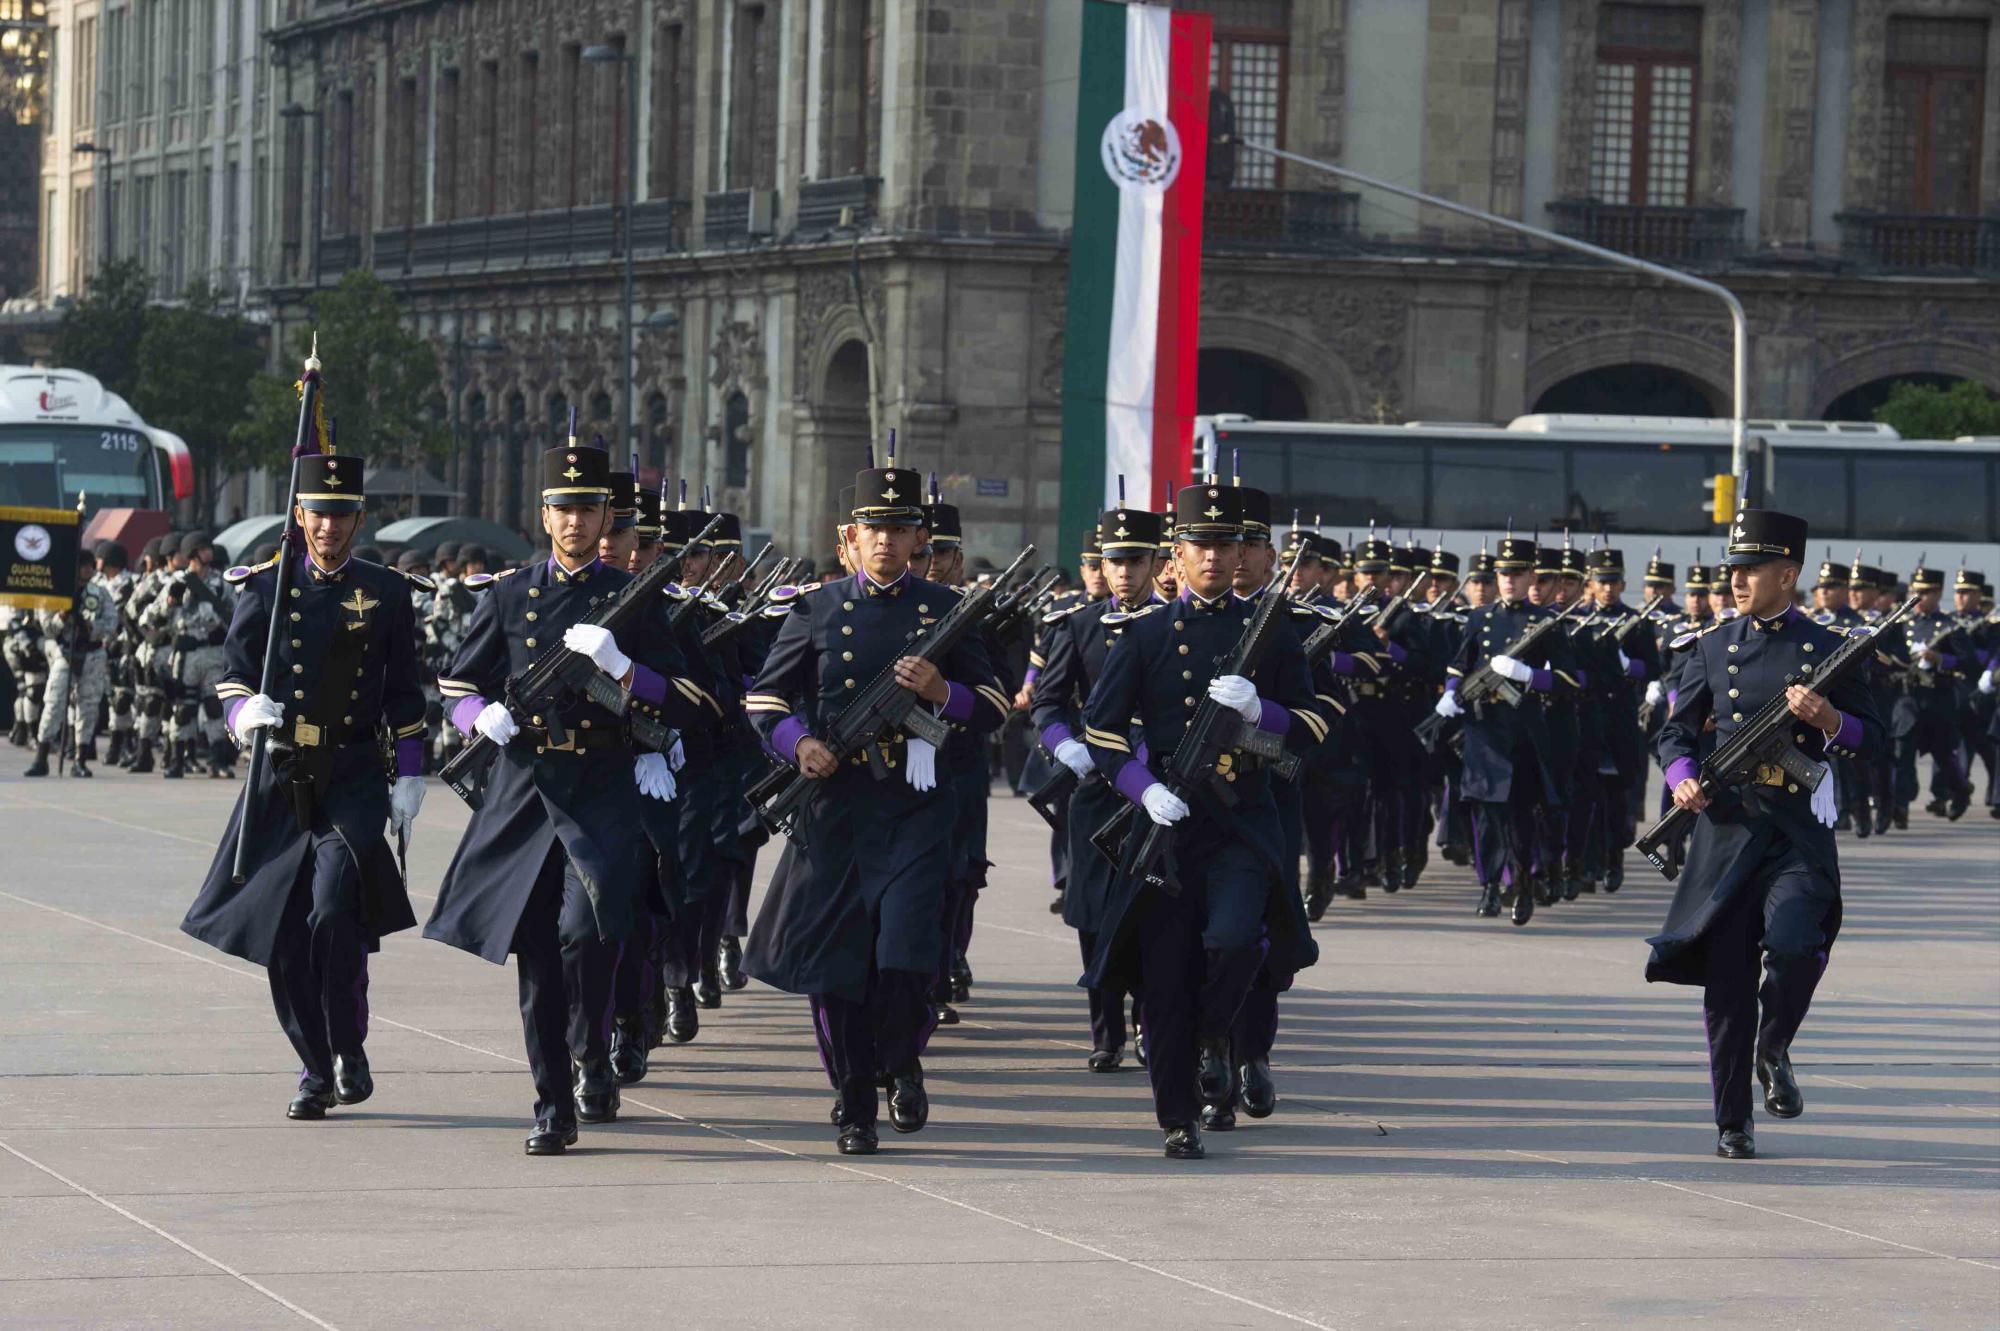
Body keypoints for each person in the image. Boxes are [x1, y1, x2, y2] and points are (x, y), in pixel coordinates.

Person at [427, 445, 712, 1155]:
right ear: (544, 513)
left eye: (588, 509)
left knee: (590, 932)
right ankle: (553, 1102)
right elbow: (459, 683)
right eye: (563, 507)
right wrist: (477, 720)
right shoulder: (507, 593)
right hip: (525, 792)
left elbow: (694, 702)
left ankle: (592, 1048)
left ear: (605, 516)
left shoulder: (637, 602)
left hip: (602, 792)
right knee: (536, 952)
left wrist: (624, 667)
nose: (576, 520)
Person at [743, 459, 1008, 1155]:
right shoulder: (816, 609)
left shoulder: (946, 612)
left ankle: (901, 1055)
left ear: (919, 537)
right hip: (836, 807)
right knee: (837, 967)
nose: (885, 541)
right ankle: (855, 1097)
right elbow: (765, 698)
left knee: (908, 955)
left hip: (917, 809)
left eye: (898, 528)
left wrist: (940, 691)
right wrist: (798, 744)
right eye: (872, 528)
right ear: (847, 540)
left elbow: (995, 705)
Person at [1078, 479, 1323, 1159]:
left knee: (1240, 940)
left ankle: (1217, 1034)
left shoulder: (1268, 635)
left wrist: (1260, 711)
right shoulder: (1145, 633)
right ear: (1174, 557)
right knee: (1164, 973)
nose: (1212, 557)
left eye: (1224, 543)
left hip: (1242, 820)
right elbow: (1101, 730)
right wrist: (1142, 787)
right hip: (1168, 822)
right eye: (1198, 545)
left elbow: (1314, 723)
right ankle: (1176, 1116)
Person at [182, 453, 430, 1120]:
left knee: (333, 905)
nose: (328, 526)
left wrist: (410, 773)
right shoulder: (265, 588)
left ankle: (348, 1043)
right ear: (300, 515)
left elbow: (406, 693)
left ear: (359, 518)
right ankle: (316, 1066)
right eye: (318, 513)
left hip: (351, 773)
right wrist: (242, 713)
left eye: (341, 514)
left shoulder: (386, 591)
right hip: (282, 774)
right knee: (283, 933)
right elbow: (231, 673)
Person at [1647, 506, 1883, 1160]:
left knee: (1796, 944)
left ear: (1788, 572)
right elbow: (1672, 730)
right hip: (1726, 832)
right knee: (1726, 985)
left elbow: (1876, 734)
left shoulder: (1828, 648)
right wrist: (1681, 774)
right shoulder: (1714, 645)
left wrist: (1831, 718)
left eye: (1751, 570)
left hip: (1795, 833)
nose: (1737, 581)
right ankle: (1733, 1120)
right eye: (1734, 570)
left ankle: (1774, 1043)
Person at [1032, 498, 1166, 1071]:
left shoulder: (1174, 622)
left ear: (1157, 563)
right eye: (1117, 561)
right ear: (1103, 566)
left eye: (1137, 560)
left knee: (1153, 907)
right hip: (1096, 788)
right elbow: (1049, 700)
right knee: (1092, 912)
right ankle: (1106, 1030)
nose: (1126, 571)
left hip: (1158, 785)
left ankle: (1149, 1021)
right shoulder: (1081, 625)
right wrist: (1065, 745)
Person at [1433, 535, 1577, 924]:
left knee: (1520, 815)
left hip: (1523, 732)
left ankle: (1524, 884)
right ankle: (1490, 886)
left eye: (1516, 573)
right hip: (1483, 728)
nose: (1508, 580)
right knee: (1486, 812)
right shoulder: (1479, 618)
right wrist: (1449, 694)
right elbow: (1458, 665)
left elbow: (1570, 679)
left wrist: (1530, 676)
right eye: (1503, 573)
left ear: (1531, 574)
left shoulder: (1545, 622)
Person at [23, 546, 120, 777]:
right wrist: (64, 615)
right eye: (81, 565)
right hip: (66, 653)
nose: (86, 570)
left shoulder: (100, 593)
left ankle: (80, 759)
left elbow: (111, 624)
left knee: (87, 707)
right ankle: (42, 757)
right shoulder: (57, 593)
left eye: (89, 566)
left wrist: (91, 628)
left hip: (93, 654)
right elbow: (47, 627)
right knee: (54, 704)